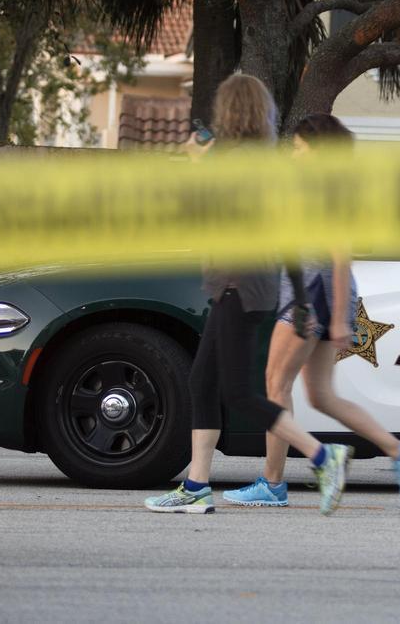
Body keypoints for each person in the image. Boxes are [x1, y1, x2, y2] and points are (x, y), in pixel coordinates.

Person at [145, 76, 352, 515]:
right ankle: (197, 485)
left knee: (239, 393)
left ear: (230, 111)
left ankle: (322, 455)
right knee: (203, 381)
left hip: (241, 282)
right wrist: (297, 298)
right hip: (242, 283)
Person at [223, 113, 400, 508]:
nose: (294, 154)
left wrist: (336, 318)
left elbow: (338, 255)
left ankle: (275, 482)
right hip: (319, 295)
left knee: (274, 386)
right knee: (320, 396)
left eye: (299, 148)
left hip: (312, 296)